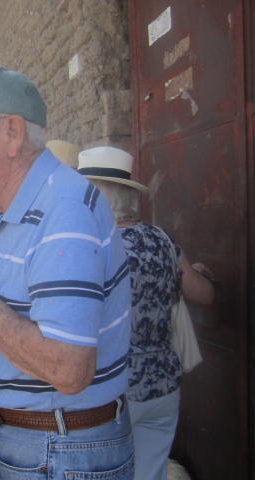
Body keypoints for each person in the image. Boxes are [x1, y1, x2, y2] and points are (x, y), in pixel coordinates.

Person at [0, 65, 133, 479]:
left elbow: (67, 369)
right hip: (45, 447)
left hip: (58, 451)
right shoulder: (31, 207)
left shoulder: (62, 211)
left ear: (12, 132)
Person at [77, 146, 215, 480]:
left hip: (115, 390)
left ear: (98, 198)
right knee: (149, 473)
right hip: (164, 386)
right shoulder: (162, 240)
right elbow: (204, 295)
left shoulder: (96, 247)